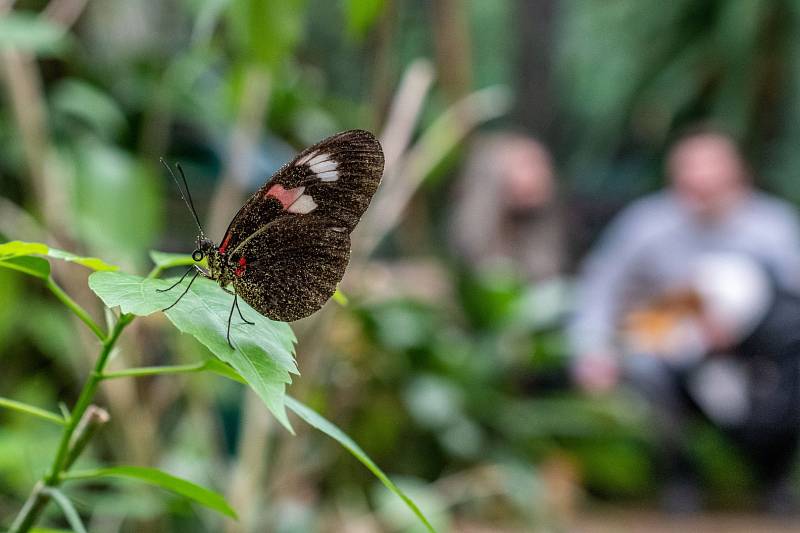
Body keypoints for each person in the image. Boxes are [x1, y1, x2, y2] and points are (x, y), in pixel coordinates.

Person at [568, 124, 800, 512]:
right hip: (670, 345)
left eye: (711, 174)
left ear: (737, 175)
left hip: (755, 351)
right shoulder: (646, 224)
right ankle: (678, 473)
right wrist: (592, 350)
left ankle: (773, 477)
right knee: (644, 368)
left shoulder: (773, 225)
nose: (700, 184)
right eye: (689, 175)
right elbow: (601, 286)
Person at [449, 132, 565, 283]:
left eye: (542, 164)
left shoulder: (543, 241)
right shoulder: (470, 248)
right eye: (526, 164)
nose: (542, 174)